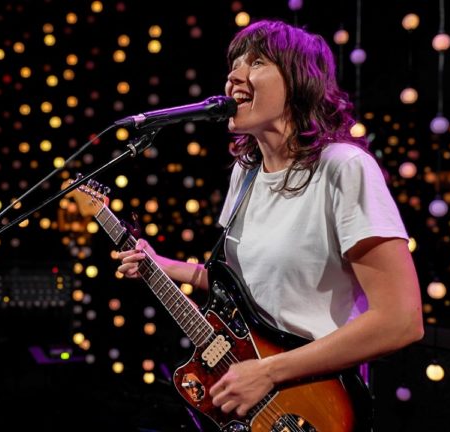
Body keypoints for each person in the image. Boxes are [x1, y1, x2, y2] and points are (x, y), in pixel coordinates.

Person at [116, 19, 424, 419]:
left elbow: (401, 320)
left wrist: (267, 371)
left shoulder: (343, 168)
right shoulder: (245, 174)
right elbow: (250, 285)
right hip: (256, 403)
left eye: (256, 61)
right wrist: (163, 266)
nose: (233, 76)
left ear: (299, 81)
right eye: (234, 64)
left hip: (315, 405)